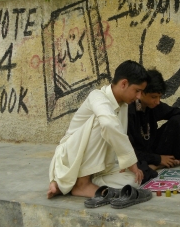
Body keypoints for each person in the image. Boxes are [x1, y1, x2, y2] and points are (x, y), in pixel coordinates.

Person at [47, 60, 149, 199]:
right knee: (104, 121)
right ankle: (82, 184)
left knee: (133, 181)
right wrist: (131, 162)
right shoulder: (97, 96)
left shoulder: (123, 106)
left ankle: (69, 184)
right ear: (124, 84)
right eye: (137, 91)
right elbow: (108, 125)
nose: (138, 97)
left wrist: (130, 166)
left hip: (98, 168)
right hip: (70, 158)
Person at [127, 69, 180, 170]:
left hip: (152, 147)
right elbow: (129, 151)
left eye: (159, 97)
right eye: (154, 97)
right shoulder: (129, 111)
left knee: (178, 120)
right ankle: (160, 163)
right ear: (141, 92)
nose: (158, 101)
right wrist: (158, 159)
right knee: (143, 171)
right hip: (139, 154)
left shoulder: (154, 106)